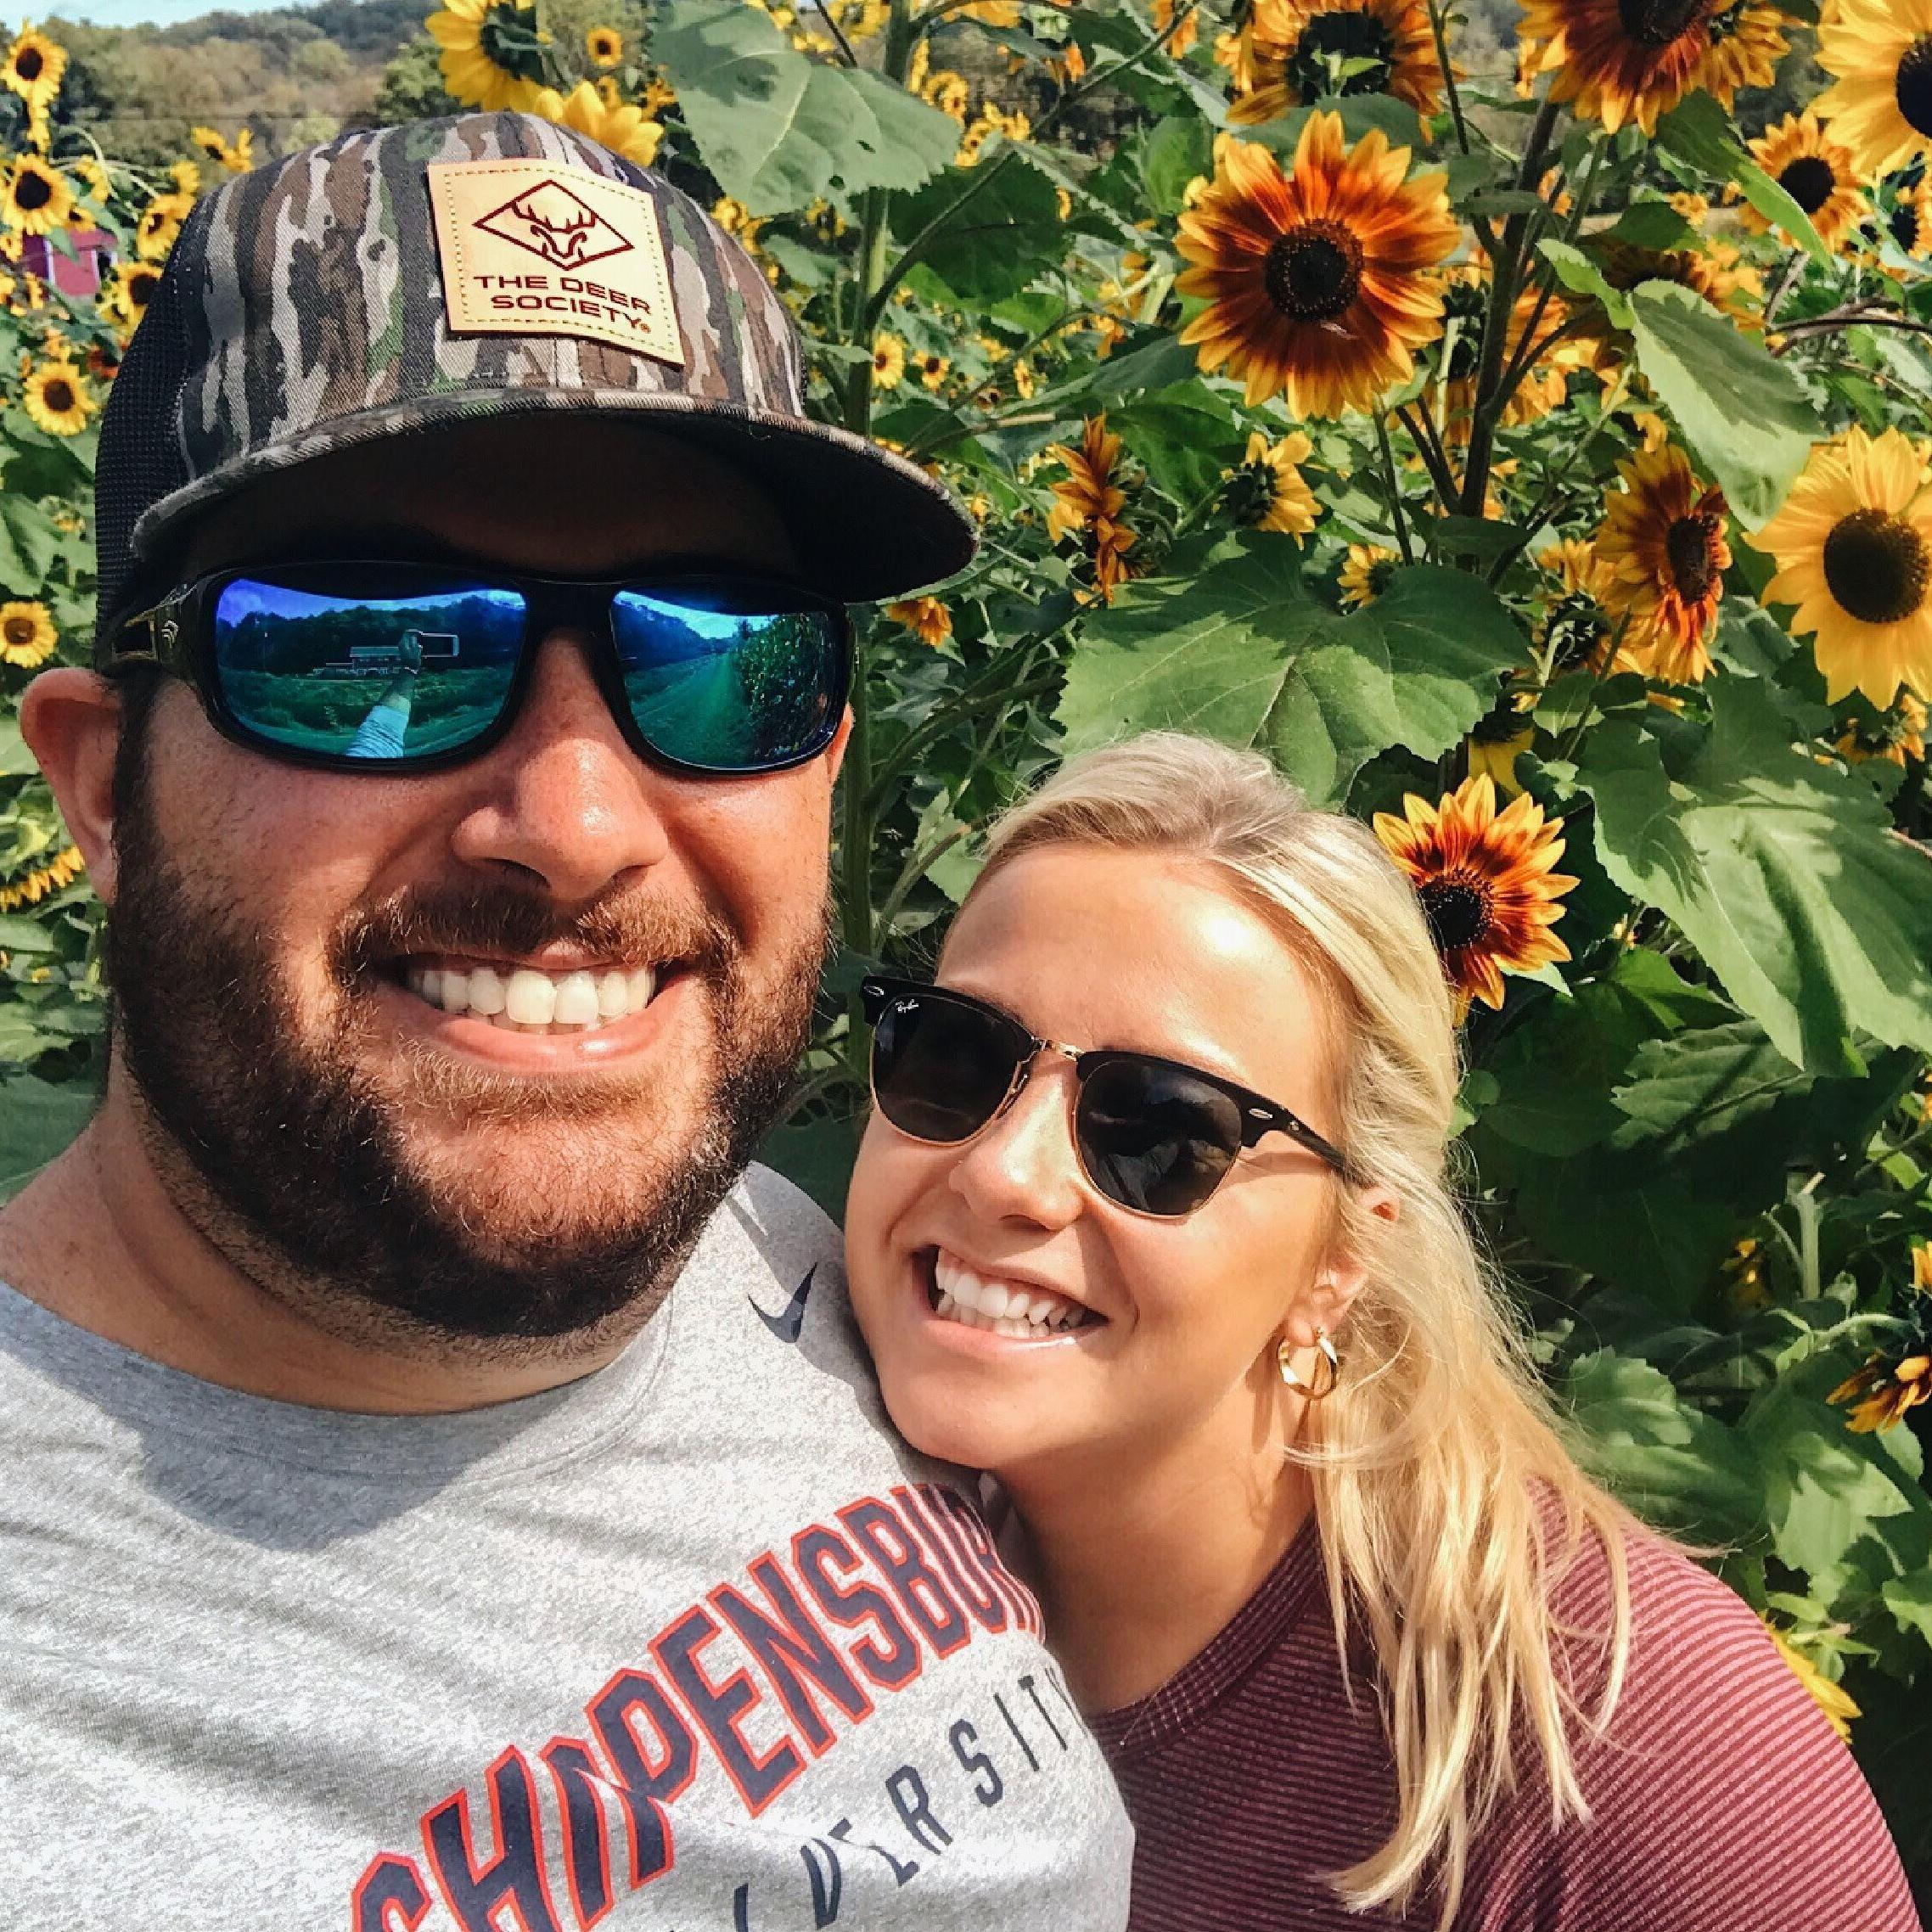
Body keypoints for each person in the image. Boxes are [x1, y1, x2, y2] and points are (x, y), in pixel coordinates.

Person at [0, 115, 1132, 1929]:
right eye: (370, 647)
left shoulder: (824, 1265)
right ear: (101, 787)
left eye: (723, 655)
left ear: (828, 752)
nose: (580, 823)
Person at [842, 732, 1919, 1932]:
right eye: (955, 1056)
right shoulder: (805, 1568)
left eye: (1157, 1128)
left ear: (1339, 1260)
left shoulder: (1631, 1743)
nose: (1004, 1173)